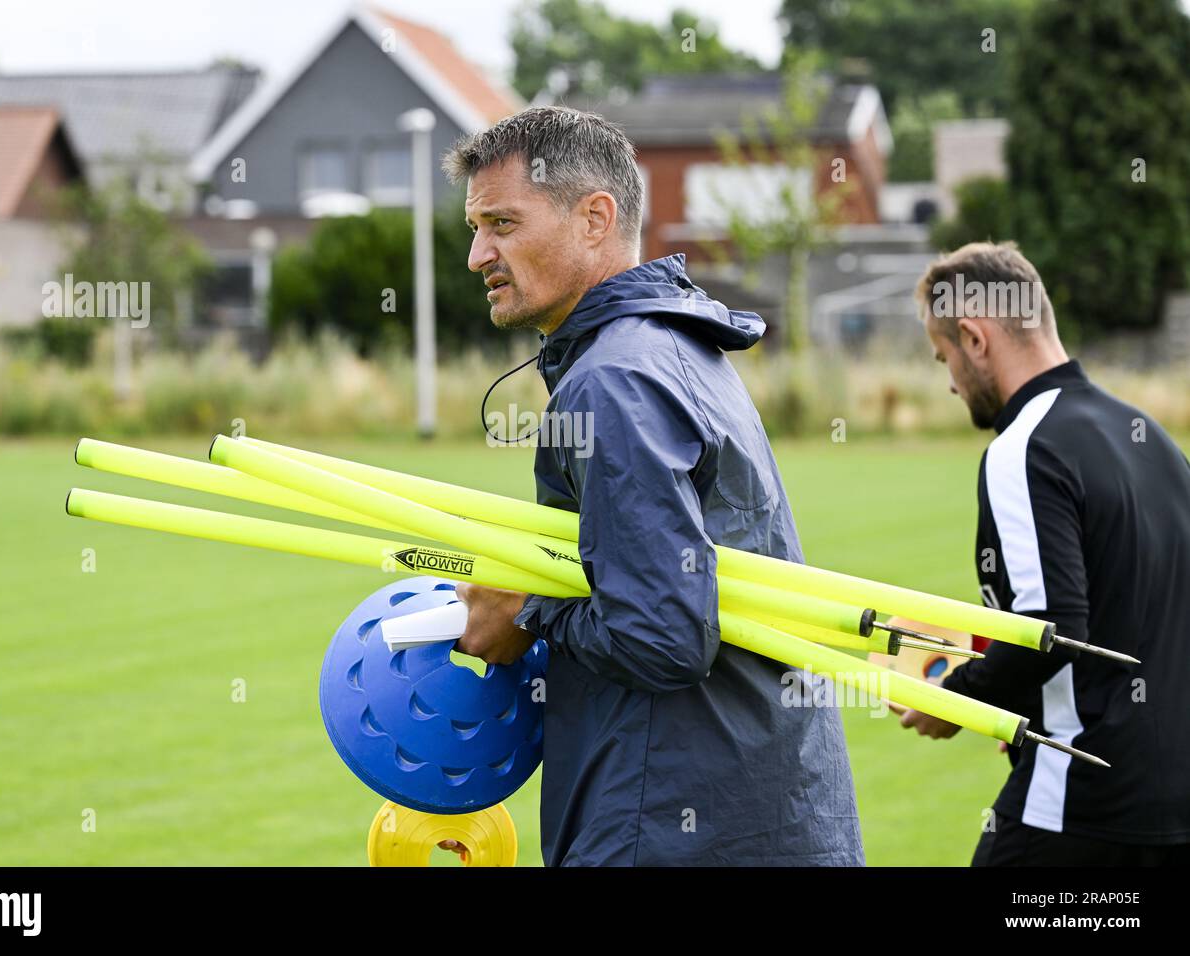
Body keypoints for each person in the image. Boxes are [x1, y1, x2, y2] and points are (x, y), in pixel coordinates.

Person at [437, 106, 864, 866]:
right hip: (757, 812)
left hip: (671, 825)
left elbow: (661, 635)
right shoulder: (674, 347)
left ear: (595, 217)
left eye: (502, 222)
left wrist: (526, 609)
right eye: (475, 227)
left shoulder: (615, 382)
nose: (478, 254)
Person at [903, 241, 1190, 865]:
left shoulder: (1023, 447)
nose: (950, 383)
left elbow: (1048, 626)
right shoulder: (1155, 442)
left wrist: (955, 697)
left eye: (943, 355)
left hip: (1081, 801)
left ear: (975, 338)